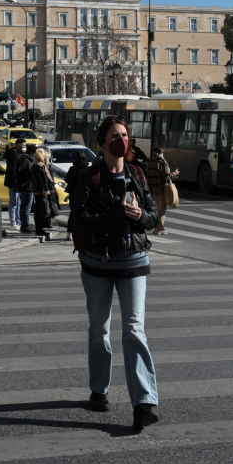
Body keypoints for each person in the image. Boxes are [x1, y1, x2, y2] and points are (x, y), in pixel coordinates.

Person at [72, 116, 161, 430]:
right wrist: (115, 214)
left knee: (135, 329)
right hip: (97, 262)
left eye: (124, 135)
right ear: (102, 142)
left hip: (134, 259)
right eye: (114, 135)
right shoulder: (90, 176)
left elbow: (153, 216)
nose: (121, 140)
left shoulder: (137, 173)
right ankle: (99, 388)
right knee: (99, 329)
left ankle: (144, 403)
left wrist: (139, 216)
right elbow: (80, 218)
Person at [146, 147, 179, 235]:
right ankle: (160, 229)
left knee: (157, 209)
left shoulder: (150, 162)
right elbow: (166, 177)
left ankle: (157, 228)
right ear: (162, 153)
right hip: (161, 190)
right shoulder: (162, 162)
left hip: (153, 190)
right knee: (162, 210)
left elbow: (148, 178)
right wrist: (175, 174)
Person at [30, 150, 57, 237]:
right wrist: (45, 191)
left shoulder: (35, 165)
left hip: (38, 191)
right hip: (41, 191)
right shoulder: (40, 165)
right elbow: (43, 180)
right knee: (40, 210)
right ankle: (39, 229)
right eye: (44, 154)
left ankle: (39, 228)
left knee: (39, 210)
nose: (45, 156)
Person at [4, 138, 28, 231]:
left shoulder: (18, 153)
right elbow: (12, 169)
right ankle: (13, 222)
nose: (25, 147)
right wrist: (15, 183)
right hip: (13, 182)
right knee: (14, 203)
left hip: (17, 182)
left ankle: (17, 221)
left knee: (18, 202)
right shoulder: (13, 153)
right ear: (18, 145)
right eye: (24, 145)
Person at [15, 141, 35, 233]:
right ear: (31, 153)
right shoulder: (26, 160)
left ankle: (24, 224)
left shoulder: (23, 159)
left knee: (23, 207)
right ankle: (25, 225)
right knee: (26, 208)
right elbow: (26, 174)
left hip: (24, 186)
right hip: (27, 186)